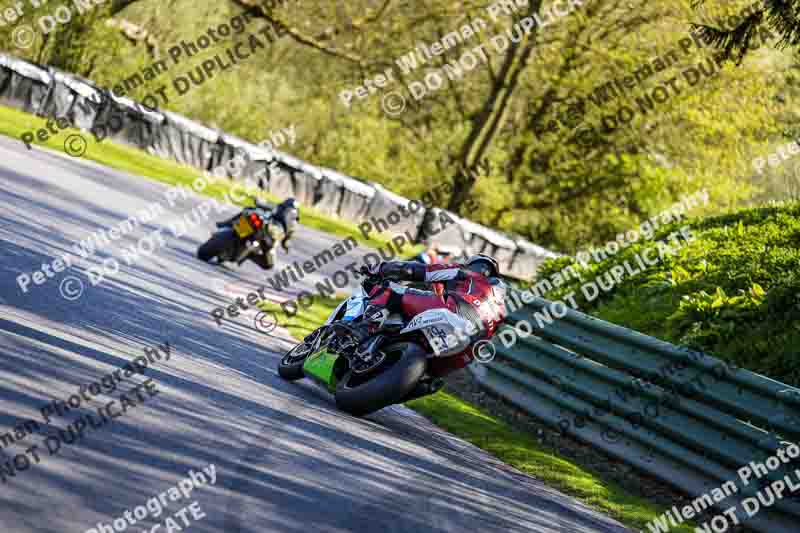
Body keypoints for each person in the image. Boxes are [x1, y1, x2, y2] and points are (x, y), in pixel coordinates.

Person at [362, 254, 507, 396]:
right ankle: (421, 382)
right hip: (466, 348)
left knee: (391, 292)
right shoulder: (501, 311)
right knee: (430, 377)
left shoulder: (466, 273)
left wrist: (380, 268)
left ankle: (362, 331)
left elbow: (415, 270)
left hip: (455, 310)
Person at [215, 197, 300, 269]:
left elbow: (260, 203)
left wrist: (257, 201)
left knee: (269, 264)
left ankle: (247, 252)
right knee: (248, 212)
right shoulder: (291, 223)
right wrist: (286, 247)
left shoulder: (278, 208)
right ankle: (229, 227)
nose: (287, 213)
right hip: (267, 235)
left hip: (267, 236)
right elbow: (286, 241)